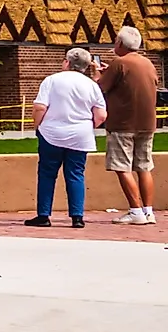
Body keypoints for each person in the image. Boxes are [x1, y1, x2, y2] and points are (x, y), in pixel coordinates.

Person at [29, 47, 109, 228]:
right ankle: (77, 216)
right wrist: (88, 126)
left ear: (67, 62)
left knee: (47, 174)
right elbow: (101, 114)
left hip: (51, 133)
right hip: (80, 136)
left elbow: (40, 107)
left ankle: (43, 214)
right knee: (75, 174)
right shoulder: (91, 85)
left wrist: (38, 126)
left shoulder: (52, 80)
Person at [98, 25, 158, 225]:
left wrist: (98, 75)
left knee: (122, 167)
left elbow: (101, 88)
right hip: (147, 124)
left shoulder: (119, 63)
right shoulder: (148, 63)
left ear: (121, 43)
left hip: (123, 124)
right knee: (144, 166)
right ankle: (149, 212)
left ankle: (135, 211)